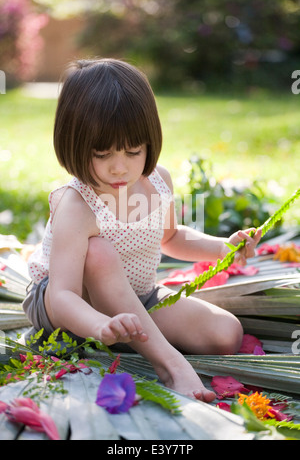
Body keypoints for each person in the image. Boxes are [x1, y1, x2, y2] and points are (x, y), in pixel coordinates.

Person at [23, 58, 261, 402]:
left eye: (133, 151)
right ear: (72, 143)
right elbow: (63, 297)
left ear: (150, 142)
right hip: (68, 307)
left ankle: (129, 331)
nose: (120, 167)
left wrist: (224, 248)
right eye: (102, 153)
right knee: (100, 253)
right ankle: (170, 366)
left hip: (137, 296)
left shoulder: (158, 182)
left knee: (225, 333)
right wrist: (97, 326)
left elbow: (172, 237)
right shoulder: (77, 206)